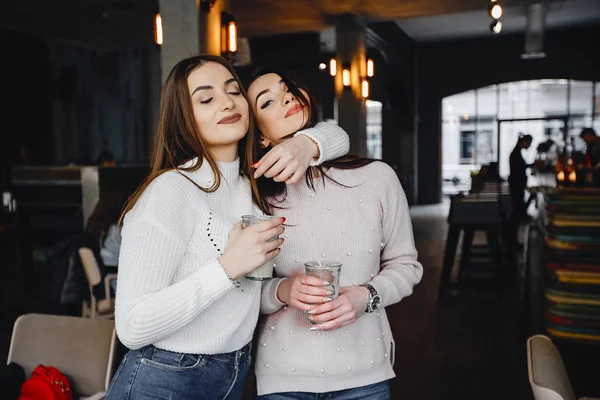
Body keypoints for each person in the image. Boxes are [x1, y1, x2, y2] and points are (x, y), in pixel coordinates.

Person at [106, 55, 349, 400]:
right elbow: (132, 326)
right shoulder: (171, 191)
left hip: (232, 373)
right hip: (164, 376)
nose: (226, 102)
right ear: (184, 118)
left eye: (234, 91)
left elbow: (338, 134)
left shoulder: (250, 187)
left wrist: (305, 144)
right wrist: (227, 266)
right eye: (206, 99)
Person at [246, 69, 423, 399]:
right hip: (283, 379)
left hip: (364, 376)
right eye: (268, 101)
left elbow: (406, 267)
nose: (286, 98)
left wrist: (366, 296)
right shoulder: (257, 200)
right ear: (261, 138)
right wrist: (283, 290)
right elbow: (244, 291)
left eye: (288, 89)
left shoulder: (378, 178)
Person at [508, 134, 533, 222]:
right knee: (518, 202)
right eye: (529, 143)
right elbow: (519, 168)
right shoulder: (515, 154)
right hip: (516, 183)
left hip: (517, 183)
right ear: (524, 142)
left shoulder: (516, 153)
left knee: (519, 201)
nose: (529, 146)